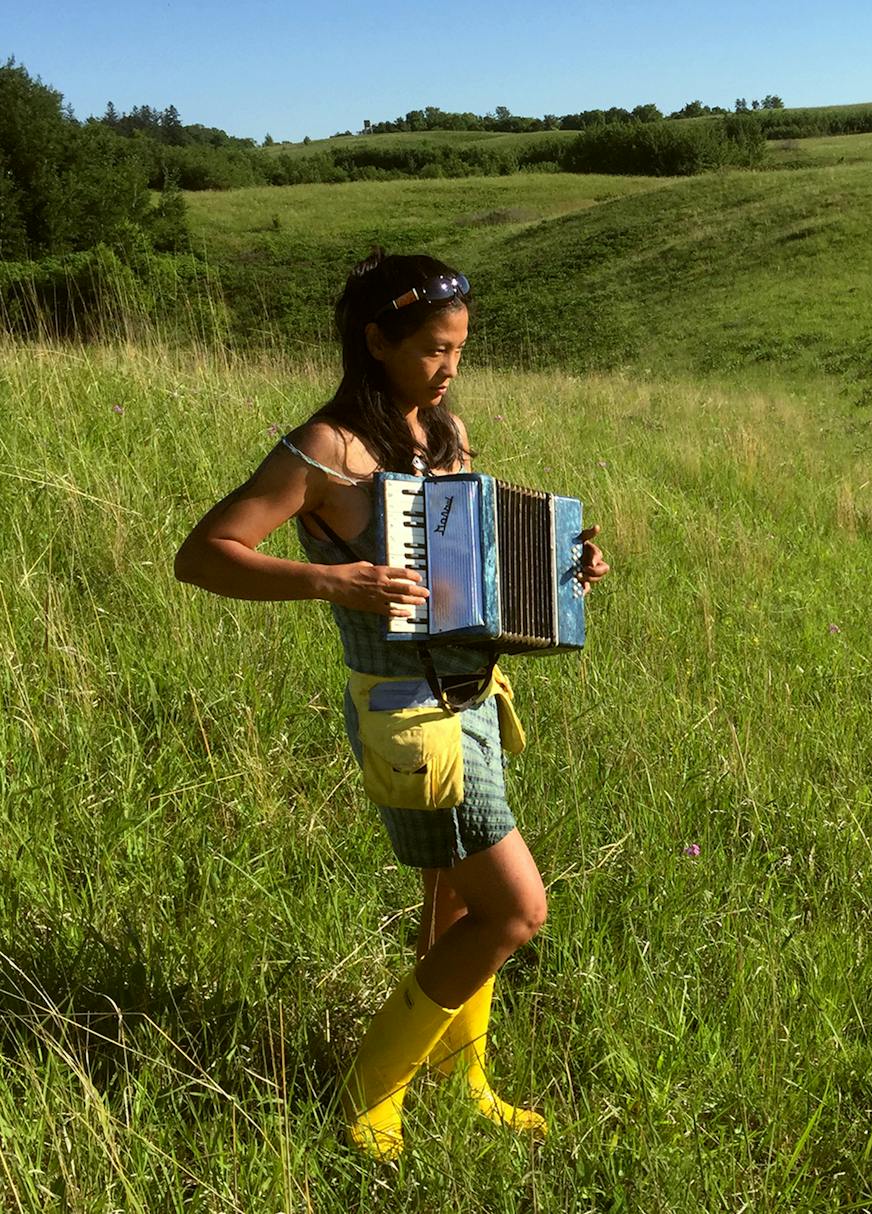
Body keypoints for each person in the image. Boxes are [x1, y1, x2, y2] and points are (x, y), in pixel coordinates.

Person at [174, 249, 608, 1161]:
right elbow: (205, 553)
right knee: (517, 912)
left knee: (455, 906)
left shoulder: (439, 433)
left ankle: (466, 1082)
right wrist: (334, 582)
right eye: (432, 350)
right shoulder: (327, 448)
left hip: (477, 695)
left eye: (459, 349)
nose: (449, 368)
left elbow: (472, 562)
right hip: (407, 714)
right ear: (376, 341)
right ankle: (371, 1087)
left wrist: (565, 571)